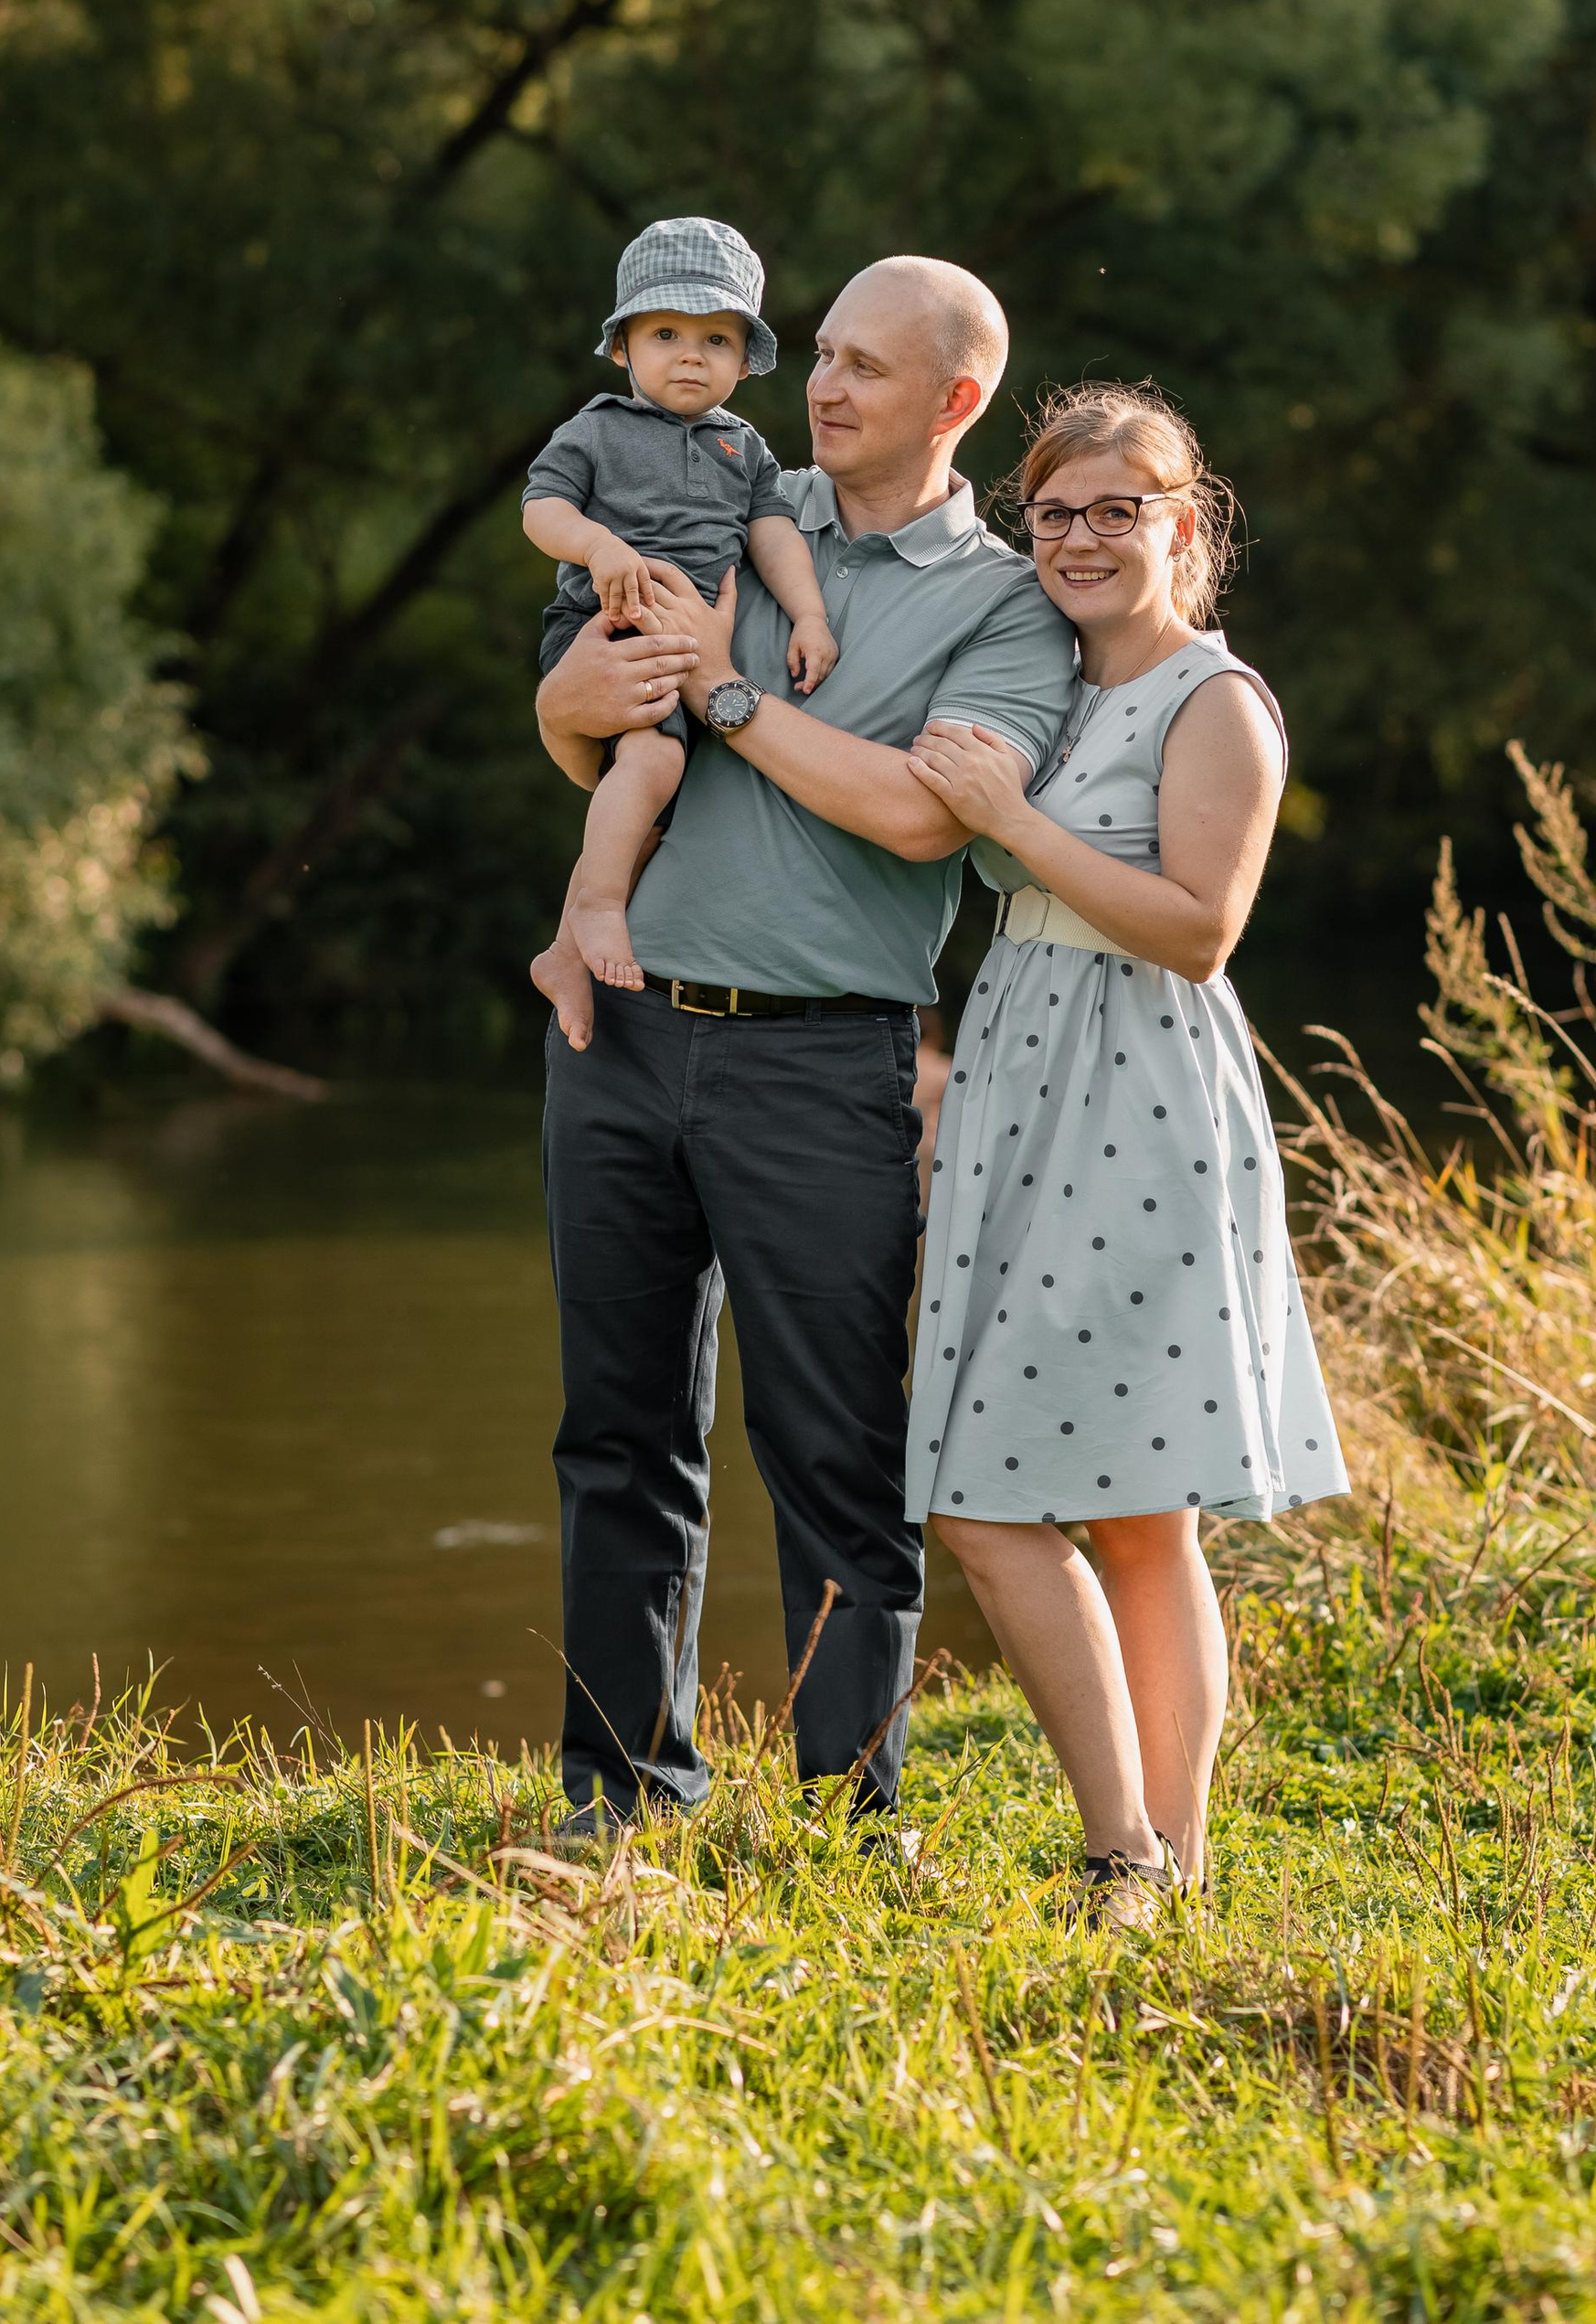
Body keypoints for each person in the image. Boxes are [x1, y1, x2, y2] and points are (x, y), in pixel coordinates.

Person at [531, 254, 1076, 1839]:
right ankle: (625, 1798)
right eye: (821, 354)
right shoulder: (725, 498)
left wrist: (726, 695)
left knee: (834, 1449)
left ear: (956, 400)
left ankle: (850, 1821)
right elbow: (588, 730)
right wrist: (569, 701)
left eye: (864, 368)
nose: (821, 387)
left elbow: (918, 815)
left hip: (824, 1064)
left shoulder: (1008, 606)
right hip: (621, 1034)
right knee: (618, 1438)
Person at [901, 380, 1348, 1924]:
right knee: (1135, 1515)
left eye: (1117, 510)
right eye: (1054, 513)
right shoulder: (1046, 682)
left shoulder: (1214, 700)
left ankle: (1128, 1855)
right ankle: (1167, 1868)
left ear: (1186, 526)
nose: (1081, 538)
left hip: (1139, 1094)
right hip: (1025, 1072)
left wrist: (1015, 824)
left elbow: (1201, 929)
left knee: (994, 1498)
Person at [522, 218, 839, 1041]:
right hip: (609, 624)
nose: (691, 356)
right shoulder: (597, 428)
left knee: (667, 805)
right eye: (665, 334)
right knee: (655, 763)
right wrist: (599, 547)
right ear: (622, 347)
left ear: (745, 360)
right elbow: (541, 510)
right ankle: (597, 907)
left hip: (691, 641)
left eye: (716, 340)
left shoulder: (747, 449)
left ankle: (564, 954)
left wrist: (808, 613)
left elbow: (772, 535)